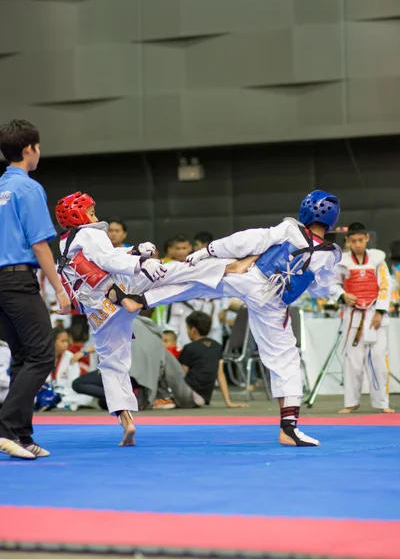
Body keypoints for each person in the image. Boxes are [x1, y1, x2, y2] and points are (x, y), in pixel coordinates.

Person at [141, 190, 342, 446]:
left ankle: (140, 295)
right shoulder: (328, 254)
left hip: (251, 279)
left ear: (306, 210)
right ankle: (288, 428)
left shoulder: (290, 229)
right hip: (275, 304)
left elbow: (250, 239)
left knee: (201, 276)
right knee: (286, 360)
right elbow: (322, 288)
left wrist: (209, 250)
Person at [55, 191, 230, 445]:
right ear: (77, 215)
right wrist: (140, 262)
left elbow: (103, 257)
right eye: (91, 212)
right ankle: (227, 268)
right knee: (174, 271)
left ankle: (126, 420)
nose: (95, 215)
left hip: (97, 309)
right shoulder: (89, 233)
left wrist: (134, 250)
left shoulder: (64, 244)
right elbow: (107, 258)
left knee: (112, 365)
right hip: (121, 284)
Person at [0, 119, 70, 460]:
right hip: (17, 279)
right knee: (43, 355)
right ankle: (5, 425)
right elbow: (40, 244)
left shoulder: (0, 187)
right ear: (29, 149)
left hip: (1, 282)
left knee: (24, 357)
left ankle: (21, 435)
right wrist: (59, 288)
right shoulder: (28, 188)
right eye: (38, 147)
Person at [330, 222, 394, 414]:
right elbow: (331, 284)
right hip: (353, 316)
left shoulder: (378, 260)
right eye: (353, 241)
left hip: (374, 315)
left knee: (378, 360)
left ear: (367, 238)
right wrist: (342, 295)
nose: (357, 244)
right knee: (353, 362)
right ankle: (351, 402)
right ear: (347, 241)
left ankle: (382, 403)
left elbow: (385, 285)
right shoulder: (342, 262)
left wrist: (380, 312)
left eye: (360, 240)